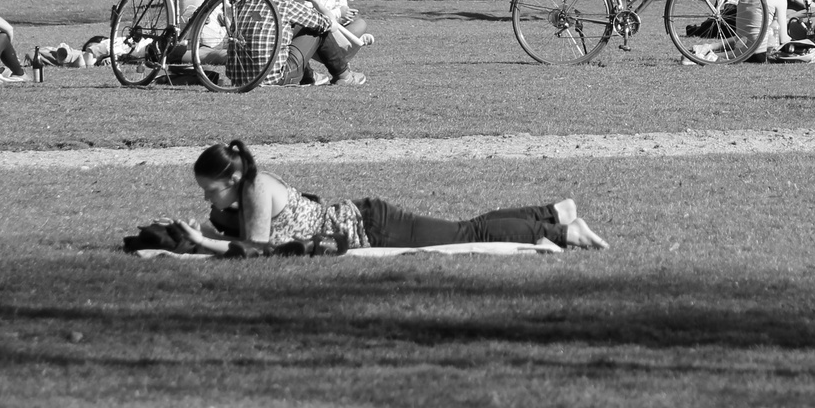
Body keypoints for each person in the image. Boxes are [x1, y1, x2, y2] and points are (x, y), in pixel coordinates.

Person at [169, 141, 609, 253]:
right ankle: (553, 212)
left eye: (211, 191)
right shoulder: (252, 186)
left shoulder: (255, 190)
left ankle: (565, 232)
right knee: (464, 227)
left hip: (372, 228)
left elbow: (258, 248)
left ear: (232, 178)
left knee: (464, 234)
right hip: (365, 221)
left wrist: (206, 241)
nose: (209, 200)